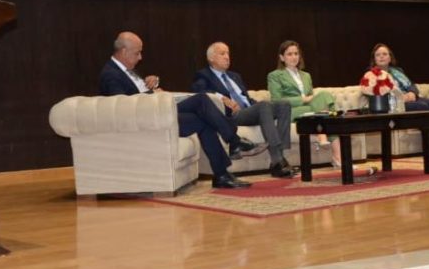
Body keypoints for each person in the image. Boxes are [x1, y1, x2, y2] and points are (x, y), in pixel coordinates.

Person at [99, 32, 266, 189]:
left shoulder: (126, 70)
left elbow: (137, 91)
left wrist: (152, 84)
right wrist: (152, 94)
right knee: (201, 100)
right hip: (149, 118)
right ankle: (234, 140)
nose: (140, 57)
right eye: (137, 53)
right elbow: (123, 107)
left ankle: (221, 175)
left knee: (204, 120)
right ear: (123, 51)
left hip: (159, 110)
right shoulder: (111, 74)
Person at [191, 42, 296, 178]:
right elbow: (199, 91)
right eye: (222, 54)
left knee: (284, 105)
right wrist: (221, 97)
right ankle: (278, 161)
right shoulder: (203, 75)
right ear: (211, 58)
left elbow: (246, 98)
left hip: (249, 110)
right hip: (233, 115)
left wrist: (259, 105)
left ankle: (279, 157)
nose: (227, 57)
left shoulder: (234, 76)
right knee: (264, 106)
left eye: (228, 53)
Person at [361, 43, 429, 157]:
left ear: (390, 57)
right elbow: (376, 93)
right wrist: (400, 97)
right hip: (392, 103)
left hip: (409, 98)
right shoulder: (371, 74)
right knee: (423, 106)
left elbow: (411, 84)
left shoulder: (397, 70)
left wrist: (412, 93)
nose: (381, 57)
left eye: (384, 54)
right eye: (378, 55)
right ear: (374, 58)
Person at [266, 40, 341, 160]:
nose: (294, 57)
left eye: (296, 53)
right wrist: (303, 99)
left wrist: (310, 100)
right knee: (326, 114)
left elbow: (314, 99)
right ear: (282, 57)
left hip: (309, 110)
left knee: (324, 96)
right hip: (290, 111)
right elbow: (277, 101)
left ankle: (332, 149)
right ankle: (336, 155)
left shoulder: (306, 76)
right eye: (289, 54)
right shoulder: (274, 75)